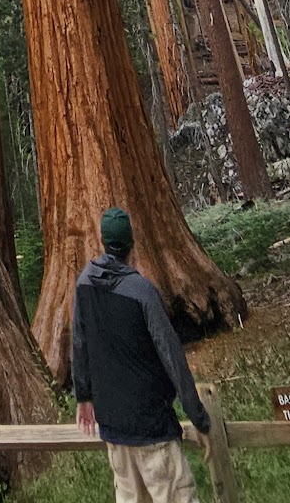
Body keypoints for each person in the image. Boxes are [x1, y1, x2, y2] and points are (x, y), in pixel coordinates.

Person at [72, 208, 212, 503]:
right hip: (152, 428)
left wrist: (83, 397)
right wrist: (198, 417)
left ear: (102, 241)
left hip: (113, 427)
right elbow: (171, 355)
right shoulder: (142, 291)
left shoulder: (84, 283)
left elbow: (79, 343)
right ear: (132, 244)